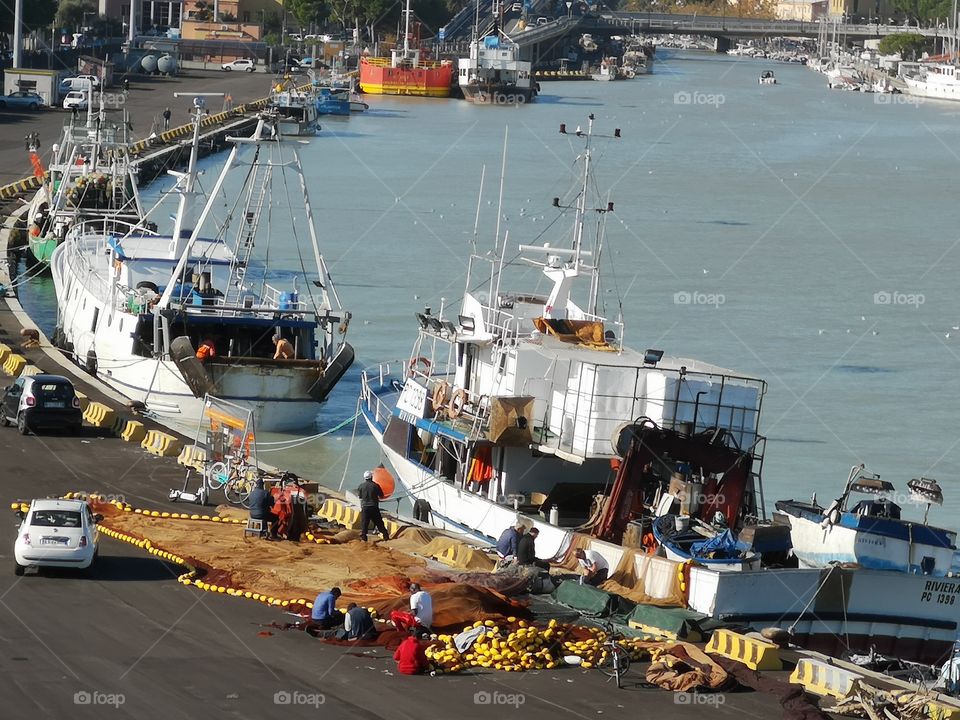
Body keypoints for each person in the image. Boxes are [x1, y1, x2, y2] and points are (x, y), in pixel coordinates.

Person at [357, 469, 390, 542]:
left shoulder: (361, 486)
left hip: (365, 508)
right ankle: (386, 537)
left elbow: (360, 497)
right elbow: (381, 495)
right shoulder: (376, 485)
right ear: (371, 477)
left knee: (364, 524)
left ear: (365, 478)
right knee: (379, 523)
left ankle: (364, 539)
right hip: (374, 507)